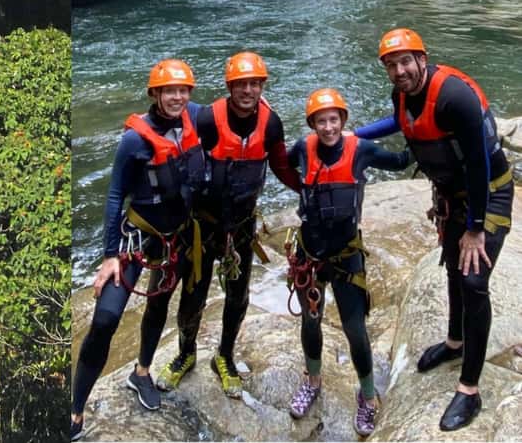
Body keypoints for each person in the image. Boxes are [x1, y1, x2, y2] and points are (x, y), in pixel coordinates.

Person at [356, 28, 513, 432]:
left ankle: (470, 389)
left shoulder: (454, 97)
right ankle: (455, 343)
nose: (399, 70)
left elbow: (479, 164)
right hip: (452, 194)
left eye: (406, 61)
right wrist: (353, 135)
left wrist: (476, 229)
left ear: (423, 60)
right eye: (391, 65)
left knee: (473, 279)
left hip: (488, 193)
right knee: (451, 267)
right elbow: (402, 122)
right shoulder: (403, 95)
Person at [71, 59, 205, 441]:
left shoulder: (194, 119)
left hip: (176, 237)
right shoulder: (135, 140)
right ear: (155, 94)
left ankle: (141, 372)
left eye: (183, 90)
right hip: (139, 236)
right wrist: (109, 254)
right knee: (105, 319)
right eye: (170, 91)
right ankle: (76, 410)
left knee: (159, 306)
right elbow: (114, 195)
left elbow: (237, 113)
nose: (178, 97)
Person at [156, 51, 301, 398]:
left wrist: (308, 187)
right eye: (241, 84)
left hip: (240, 225)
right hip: (202, 225)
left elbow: (281, 166)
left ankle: (224, 356)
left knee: (238, 296)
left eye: (254, 84)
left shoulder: (272, 123)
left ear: (262, 86)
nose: (247, 90)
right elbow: (185, 160)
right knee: (194, 293)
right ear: (230, 87)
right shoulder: (207, 120)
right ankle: (185, 353)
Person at [286, 88, 411, 436]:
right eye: (321, 121)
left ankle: (368, 397)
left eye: (334, 120)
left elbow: (400, 161)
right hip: (309, 256)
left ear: (343, 120)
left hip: (346, 257)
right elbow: (277, 161)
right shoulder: (302, 149)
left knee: (355, 330)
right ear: (312, 124)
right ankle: (312, 379)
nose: (327, 127)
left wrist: (424, 133)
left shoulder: (362, 150)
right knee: (311, 323)